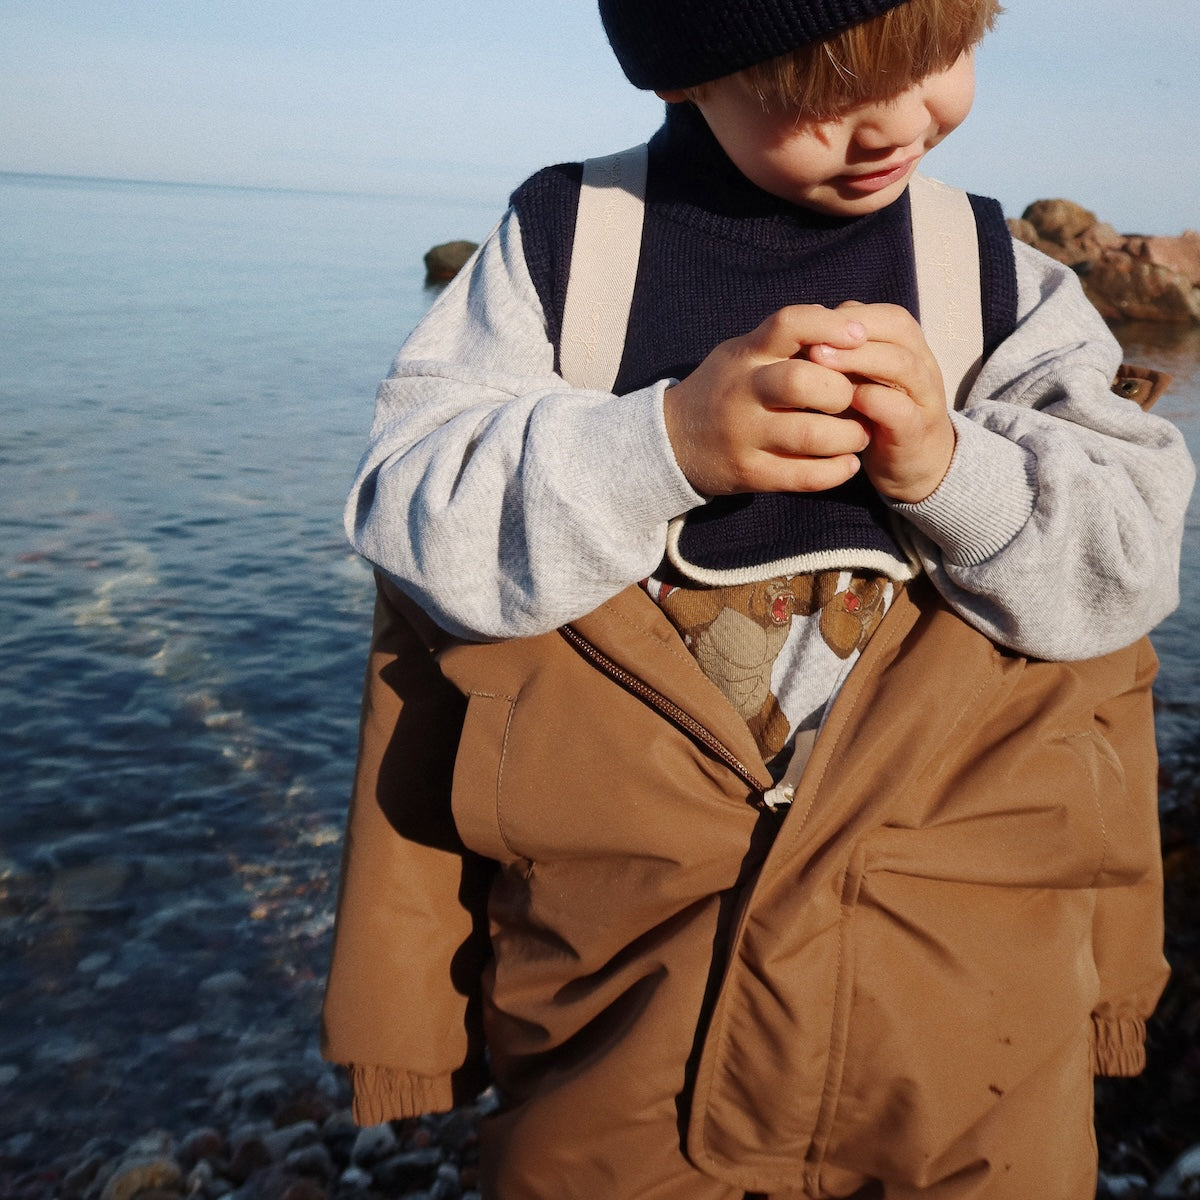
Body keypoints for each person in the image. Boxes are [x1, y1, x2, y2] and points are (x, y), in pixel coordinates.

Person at [322, 1, 1195, 1196]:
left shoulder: (1000, 284)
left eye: (940, 55)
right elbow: (411, 511)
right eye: (820, 85)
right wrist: (662, 443)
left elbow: (1130, 555)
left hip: (967, 1014)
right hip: (623, 1010)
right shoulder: (567, 251)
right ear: (684, 70)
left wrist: (955, 469)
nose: (896, 118)